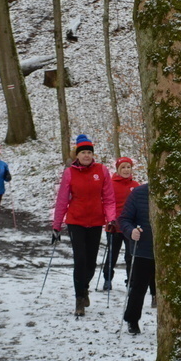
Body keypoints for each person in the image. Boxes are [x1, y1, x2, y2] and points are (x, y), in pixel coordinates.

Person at [51, 134, 116, 316]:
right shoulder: (69, 173)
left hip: (95, 221)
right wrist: (57, 225)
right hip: (76, 221)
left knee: (91, 262)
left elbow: (109, 198)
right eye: (83, 153)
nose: (86, 155)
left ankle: (84, 287)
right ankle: (79, 298)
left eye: (89, 152)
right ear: (77, 155)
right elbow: (62, 200)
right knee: (80, 260)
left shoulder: (101, 171)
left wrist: (111, 219)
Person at [118, 183, 154, 334]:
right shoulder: (139, 193)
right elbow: (124, 219)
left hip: (169, 249)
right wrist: (131, 231)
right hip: (143, 249)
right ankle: (132, 320)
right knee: (139, 287)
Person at [102, 157, 140, 292]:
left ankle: (130, 282)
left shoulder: (135, 185)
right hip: (114, 225)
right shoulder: (110, 184)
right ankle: (107, 278)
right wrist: (109, 220)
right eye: (123, 167)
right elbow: (106, 203)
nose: (126, 170)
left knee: (130, 255)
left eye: (128, 167)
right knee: (112, 254)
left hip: (130, 227)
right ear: (118, 169)